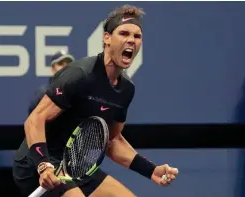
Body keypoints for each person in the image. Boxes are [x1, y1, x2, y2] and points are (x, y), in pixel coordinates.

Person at [13, 4, 179, 197]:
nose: (131, 40)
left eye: (137, 36)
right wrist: (43, 165)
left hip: (77, 164)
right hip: (38, 163)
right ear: (107, 38)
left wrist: (150, 170)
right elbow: (35, 119)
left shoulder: (126, 89)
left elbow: (112, 141)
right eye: (124, 33)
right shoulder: (80, 74)